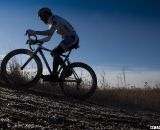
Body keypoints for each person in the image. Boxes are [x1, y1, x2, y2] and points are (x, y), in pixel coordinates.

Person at [26, 8, 79, 81]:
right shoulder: (51, 23)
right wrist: (36, 41)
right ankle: (65, 70)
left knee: (55, 52)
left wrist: (34, 32)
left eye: (41, 16)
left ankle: (56, 74)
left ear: (46, 14)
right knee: (54, 53)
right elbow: (48, 38)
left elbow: (50, 33)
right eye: (39, 17)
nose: (41, 19)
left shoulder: (55, 19)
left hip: (72, 38)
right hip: (69, 39)